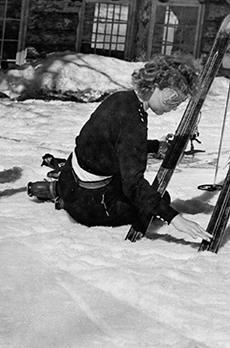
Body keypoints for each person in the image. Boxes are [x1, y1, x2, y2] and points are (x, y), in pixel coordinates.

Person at [28, 54, 212, 242]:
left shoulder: (121, 99)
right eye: (172, 100)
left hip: (70, 178)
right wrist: (175, 218)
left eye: (178, 103)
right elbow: (133, 186)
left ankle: (59, 190)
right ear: (155, 85)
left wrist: (156, 146)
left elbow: (114, 144)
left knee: (134, 189)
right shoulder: (134, 122)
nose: (173, 107)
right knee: (160, 199)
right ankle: (68, 201)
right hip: (90, 205)